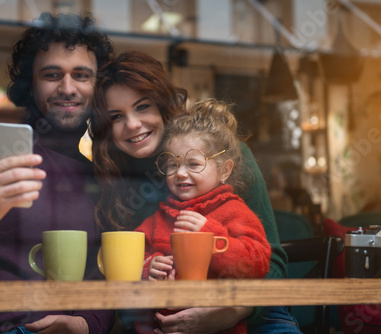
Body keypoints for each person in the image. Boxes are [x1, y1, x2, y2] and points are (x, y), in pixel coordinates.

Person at [90, 51, 300, 333]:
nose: (132, 124)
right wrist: (148, 271)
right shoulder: (112, 180)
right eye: (117, 117)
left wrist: (230, 311)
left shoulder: (223, 155)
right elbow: (123, 274)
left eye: (142, 107)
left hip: (251, 313)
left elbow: (270, 261)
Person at [0, 12, 114, 334]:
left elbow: (101, 276)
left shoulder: (100, 177)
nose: (67, 87)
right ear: (30, 85)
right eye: (51, 74)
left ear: (97, 87)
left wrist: (86, 324)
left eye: (82, 75)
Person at [134, 99, 271, 333]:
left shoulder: (234, 212)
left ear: (225, 170)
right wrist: (149, 265)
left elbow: (257, 263)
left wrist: (213, 237)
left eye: (193, 163)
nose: (180, 173)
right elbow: (133, 254)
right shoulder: (160, 216)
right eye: (172, 165)